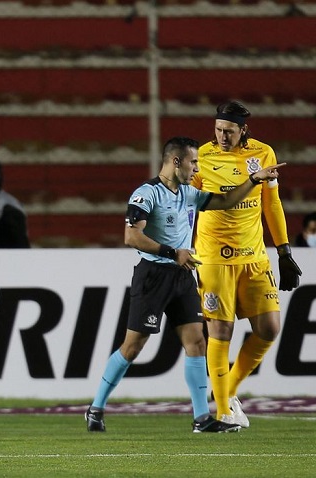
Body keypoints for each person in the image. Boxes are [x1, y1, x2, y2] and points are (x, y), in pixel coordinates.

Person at [85, 136, 284, 434]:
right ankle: (96, 407)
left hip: (182, 275)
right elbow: (131, 237)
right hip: (153, 276)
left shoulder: (189, 193)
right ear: (176, 162)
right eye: (193, 162)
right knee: (133, 347)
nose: (197, 168)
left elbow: (226, 201)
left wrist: (254, 179)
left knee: (197, 343)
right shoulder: (147, 193)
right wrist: (172, 252)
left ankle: (202, 417)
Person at [193, 100, 303, 428]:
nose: (222, 136)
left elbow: (272, 204)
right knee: (220, 330)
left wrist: (284, 251)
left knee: (269, 329)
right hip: (213, 256)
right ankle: (223, 411)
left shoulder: (263, 153)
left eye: (229, 131)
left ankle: (226, 391)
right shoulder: (202, 156)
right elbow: (188, 203)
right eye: (218, 130)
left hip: (254, 255)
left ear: (243, 130)